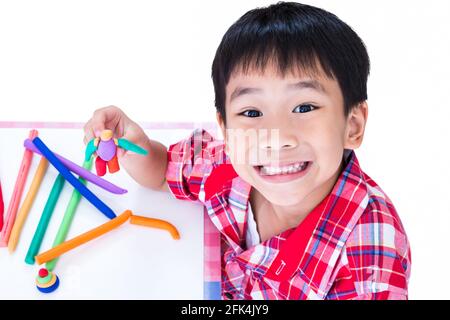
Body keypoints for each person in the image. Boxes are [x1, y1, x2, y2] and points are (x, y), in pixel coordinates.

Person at [83, 2, 411, 300]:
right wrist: (134, 147)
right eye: (252, 113)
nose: (276, 137)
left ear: (352, 126)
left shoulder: (369, 264)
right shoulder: (224, 163)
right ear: (225, 129)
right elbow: (164, 169)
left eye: (305, 106)